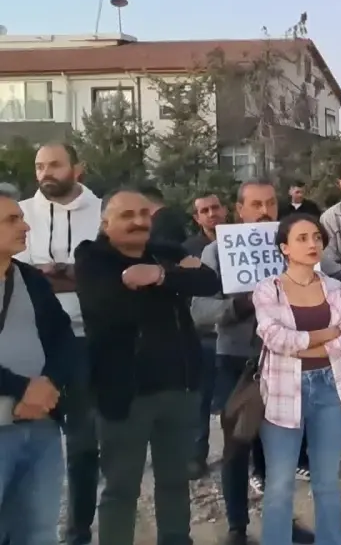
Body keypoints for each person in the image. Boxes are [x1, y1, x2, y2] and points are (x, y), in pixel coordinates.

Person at [74, 188, 223, 545]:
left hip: (179, 386)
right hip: (125, 392)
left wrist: (157, 275)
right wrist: (170, 277)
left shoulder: (164, 252)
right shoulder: (92, 258)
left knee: (174, 481)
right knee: (121, 487)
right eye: (127, 216)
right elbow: (114, 304)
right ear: (105, 223)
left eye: (144, 214)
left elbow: (208, 280)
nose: (139, 221)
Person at [191, 180, 316, 545]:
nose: (264, 211)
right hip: (236, 361)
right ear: (240, 209)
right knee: (236, 446)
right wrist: (239, 305)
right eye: (255, 204)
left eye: (270, 204)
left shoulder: (294, 248)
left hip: (284, 359)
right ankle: (236, 528)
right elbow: (199, 310)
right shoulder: (216, 253)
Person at [15, 142, 103, 545]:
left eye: (54, 164)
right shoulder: (21, 215)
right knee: (29, 440)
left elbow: (104, 275)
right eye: (39, 166)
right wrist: (69, 274)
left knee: (84, 443)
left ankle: (77, 531)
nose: (45, 172)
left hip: (89, 339)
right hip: (34, 340)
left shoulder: (103, 212)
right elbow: (16, 275)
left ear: (77, 169)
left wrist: (60, 274)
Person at [254, 213, 341, 545]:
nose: (312, 244)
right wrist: (325, 336)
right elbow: (274, 337)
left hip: (331, 387)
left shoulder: (334, 287)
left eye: (316, 237)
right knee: (280, 483)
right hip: (284, 392)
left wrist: (306, 345)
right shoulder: (267, 289)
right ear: (284, 247)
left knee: (327, 480)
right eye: (302, 238)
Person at [0, 186, 77, 545]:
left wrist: (50, 384)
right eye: (12, 220)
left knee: (38, 532)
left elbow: (63, 337)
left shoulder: (29, 279)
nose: (25, 227)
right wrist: (21, 387)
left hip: (40, 426)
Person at [183, 193, 229, 479]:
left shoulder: (243, 240)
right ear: (197, 218)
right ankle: (196, 456)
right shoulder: (188, 249)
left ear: (225, 211)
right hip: (203, 334)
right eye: (204, 210)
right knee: (201, 398)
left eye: (215, 208)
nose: (211, 213)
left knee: (233, 400)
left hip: (235, 330)